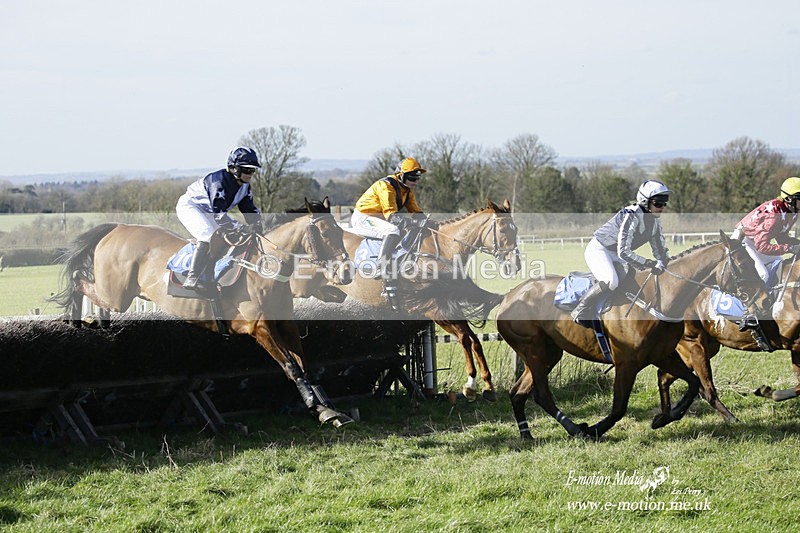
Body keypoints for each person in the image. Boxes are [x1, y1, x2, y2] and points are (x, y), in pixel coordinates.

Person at [571, 180, 672, 323]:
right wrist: (649, 263)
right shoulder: (630, 215)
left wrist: (665, 263)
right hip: (600, 249)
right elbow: (624, 252)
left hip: (616, 253)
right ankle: (580, 310)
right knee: (611, 281)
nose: (662, 207)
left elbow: (660, 251)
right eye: (658, 203)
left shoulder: (655, 222)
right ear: (645, 202)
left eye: (664, 203)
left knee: (634, 279)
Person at [176, 146, 262, 291]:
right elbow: (220, 215)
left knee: (228, 238)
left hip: (210, 211)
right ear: (235, 169)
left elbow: (250, 211)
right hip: (191, 207)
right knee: (208, 235)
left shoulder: (244, 187)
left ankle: (213, 273)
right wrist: (241, 227)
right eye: (247, 170)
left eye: (253, 170)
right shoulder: (218, 181)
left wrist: (259, 225)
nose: (250, 174)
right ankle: (193, 277)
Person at [350, 156, 427, 309]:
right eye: (411, 177)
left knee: (403, 231)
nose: (414, 181)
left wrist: (425, 220)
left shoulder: (407, 190)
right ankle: (381, 265)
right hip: (364, 218)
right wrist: (407, 221)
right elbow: (391, 215)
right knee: (392, 230)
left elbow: (415, 210)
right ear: (401, 175)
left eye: (417, 178)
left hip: (379, 218)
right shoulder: (386, 186)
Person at [731, 177, 800, 286]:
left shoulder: (793, 213)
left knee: (778, 264)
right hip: (743, 240)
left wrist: (796, 244)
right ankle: (749, 302)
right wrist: (790, 248)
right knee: (763, 275)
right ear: (789, 199)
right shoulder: (773, 215)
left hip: (758, 241)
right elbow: (762, 246)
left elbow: (781, 238)